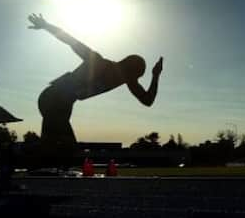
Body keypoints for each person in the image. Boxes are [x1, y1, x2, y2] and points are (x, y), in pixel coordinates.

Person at [27, 13, 163, 167]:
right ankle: (33, 166)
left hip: (65, 104)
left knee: (57, 145)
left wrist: (155, 76)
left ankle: (40, 167)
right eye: (134, 77)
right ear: (125, 68)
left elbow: (147, 100)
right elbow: (71, 41)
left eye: (135, 79)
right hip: (53, 97)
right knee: (65, 147)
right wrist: (46, 26)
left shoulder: (125, 79)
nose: (133, 82)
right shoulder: (98, 62)